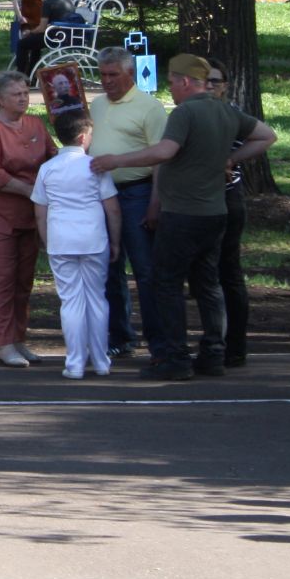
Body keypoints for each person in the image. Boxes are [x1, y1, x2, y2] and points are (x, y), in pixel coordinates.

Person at [90, 54, 276, 380]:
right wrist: (229, 158)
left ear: (186, 82)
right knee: (208, 284)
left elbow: (164, 152)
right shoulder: (226, 111)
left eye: (173, 82)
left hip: (182, 212)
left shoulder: (185, 112)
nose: (171, 88)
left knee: (167, 283)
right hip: (215, 212)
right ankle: (214, 353)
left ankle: (176, 357)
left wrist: (116, 160)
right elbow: (267, 136)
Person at [0, 71, 58, 366]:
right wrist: (29, 190)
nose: (23, 98)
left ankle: (19, 340)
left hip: (30, 217)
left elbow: (52, 157)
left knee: (24, 281)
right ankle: (4, 344)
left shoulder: (35, 124)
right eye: (16, 94)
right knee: (2, 281)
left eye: (25, 93)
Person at [90, 45, 169, 358]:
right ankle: (120, 336)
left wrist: (155, 202)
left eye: (113, 75)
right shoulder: (96, 105)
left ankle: (158, 340)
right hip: (102, 193)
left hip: (137, 191)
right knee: (109, 266)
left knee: (145, 269)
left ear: (130, 74)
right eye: (102, 75)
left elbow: (162, 158)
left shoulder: (150, 108)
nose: (107, 81)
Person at [31, 110, 121, 379]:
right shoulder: (94, 166)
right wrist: (115, 241)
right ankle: (101, 360)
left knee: (70, 301)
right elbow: (112, 209)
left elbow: (40, 210)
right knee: (96, 298)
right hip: (93, 239)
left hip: (61, 240)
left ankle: (75, 363)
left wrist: (47, 240)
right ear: (83, 137)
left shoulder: (47, 169)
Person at [205, 59, 252, 368]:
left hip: (228, 198)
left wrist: (230, 160)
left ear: (226, 85)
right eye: (205, 80)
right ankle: (213, 343)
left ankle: (235, 345)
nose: (210, 86)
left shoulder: (233, 115)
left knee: (229, 271)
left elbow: (265, 137)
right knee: (205, 276)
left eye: (216, 81)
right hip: (198, 201)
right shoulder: (189, 113)